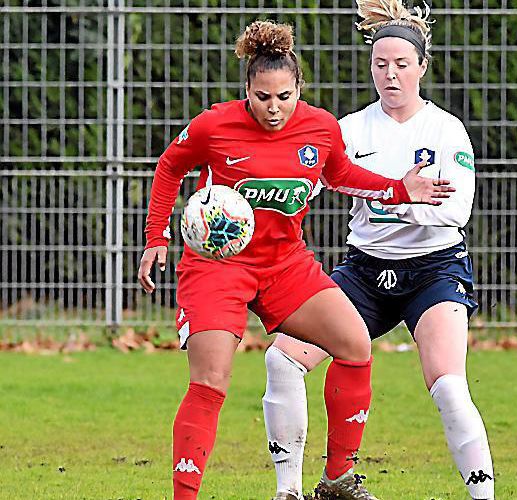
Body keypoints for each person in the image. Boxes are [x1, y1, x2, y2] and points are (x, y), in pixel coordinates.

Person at [136, 20, 453, 500]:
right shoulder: (214, 124)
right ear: (248, 89)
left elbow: (342, 173)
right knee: (211, 381)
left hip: (285, 264)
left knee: (354, 344)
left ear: (298, 89)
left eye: (284, 96)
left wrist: (397, 189)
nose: (274, 107)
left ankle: (336, 482)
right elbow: (170, 166)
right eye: (263, 97)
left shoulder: (320, 127)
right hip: (218, 268)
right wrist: (155, 236)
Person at [263, 1, 495, 499]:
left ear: (422, 67)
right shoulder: (349, 130)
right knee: (282, 361)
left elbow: (455, 213)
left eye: (401, 65)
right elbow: (302, 187)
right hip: (365, 272)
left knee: (450, 386)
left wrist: (391, 198)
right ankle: (291, 492)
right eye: (380, 64)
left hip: (433, 270)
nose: (389, 75)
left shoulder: (446, 130)